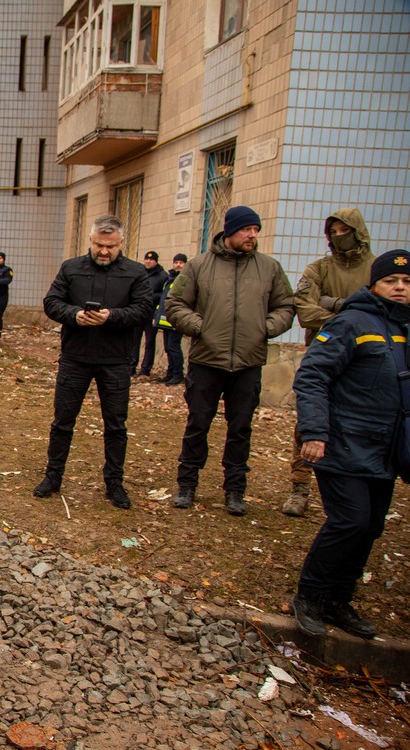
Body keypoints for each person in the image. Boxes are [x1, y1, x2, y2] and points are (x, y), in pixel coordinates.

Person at [290, 249, 410, 639]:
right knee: (350, 521)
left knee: (371, 526)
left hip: (385, 449)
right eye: (391, 280)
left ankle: (338, 600)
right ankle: (309, 596)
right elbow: (313, 376)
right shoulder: (352, 323)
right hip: (344, 444)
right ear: (373, 285)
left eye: (407, 281)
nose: (399, 287)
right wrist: (314, 432)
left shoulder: (404, 329)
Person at [166, 206, 295, 516]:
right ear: (229, 230)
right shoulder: (198, 266)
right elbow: (175, 303)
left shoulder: (269, 268)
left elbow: (286, 306)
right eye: (246, 229)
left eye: (256, 230)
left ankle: (235, 490)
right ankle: (187, 484)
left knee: (240, 428)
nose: (252, 235)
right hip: (206, 361)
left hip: (248, 364)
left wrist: (266, 328)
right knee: (198, 424)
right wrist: (200, 327)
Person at [33, 215, 151, 509]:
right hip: (75, 358)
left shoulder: (135, 272)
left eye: (110, 246)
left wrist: (112, 316)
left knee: (116, 426)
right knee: (62, 422)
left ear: (121, 242)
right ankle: (53, 476)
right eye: (99, 245)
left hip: (116, 361)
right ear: (90, 240)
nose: (104, 251)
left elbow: (144, 309)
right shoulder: (71, 268)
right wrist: (74, 315)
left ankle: (115, 483)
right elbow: (51, 302)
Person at [284, 209, 375, 517]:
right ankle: (300, 486)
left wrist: (333, 304)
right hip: (322, 354)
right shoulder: (318, 269)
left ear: (358, 231)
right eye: (333, 232)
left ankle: (357, 489)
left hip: (367, 360)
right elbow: (305, 310)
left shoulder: (377, 269)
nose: (338, 237)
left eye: (344, 231)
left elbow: (387, 310)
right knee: (309, 421)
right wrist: (353, 315)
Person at [131, 250, 168, 379]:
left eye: (151, 260)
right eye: (146, 259)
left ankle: (145, 368)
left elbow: (164, 295)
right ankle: (131, 366)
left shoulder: (163, 276)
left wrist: (151, 297)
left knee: (150, 342)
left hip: (152, 313)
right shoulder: (140, 273)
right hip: (138, 312)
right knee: (134, 341)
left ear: (156, 261)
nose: (148, 261)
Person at [156, 253, 187, 385]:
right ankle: (170, 373)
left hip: (176, 319)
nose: (178, 265)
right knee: (168, 348)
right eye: (176, 262)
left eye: (181, 262)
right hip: (165, 319)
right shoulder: (170, 279)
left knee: (174, 347)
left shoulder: (184, 279)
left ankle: (178, 374)